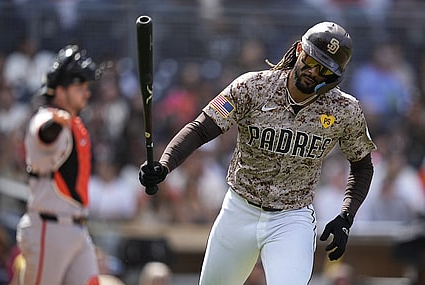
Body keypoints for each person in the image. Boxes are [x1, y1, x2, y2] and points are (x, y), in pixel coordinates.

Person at [139, 22, 376, 285]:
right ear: (299, 49)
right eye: (310, 60)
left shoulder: (345, 109)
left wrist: (346, 215)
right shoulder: (252, 87)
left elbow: (362, 166)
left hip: (292, 217)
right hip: (240, 209)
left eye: (324, 70)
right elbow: (200, 130)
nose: (313, 72)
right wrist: (165, 165)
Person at [16, 45, 102, 285]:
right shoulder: (47, 117)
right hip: (48, 228)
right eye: (80, 87)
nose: (86, 93)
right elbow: (44, 133)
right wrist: (57, 121)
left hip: (77, 229)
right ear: (61, 90)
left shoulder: (74, 122)